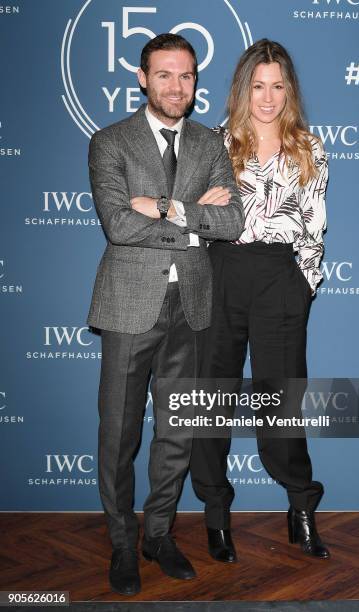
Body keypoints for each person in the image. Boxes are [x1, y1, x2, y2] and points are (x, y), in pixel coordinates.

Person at [87, 33, 244, 595]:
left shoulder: (209, 144)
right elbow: (117, 225)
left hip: (192, 308)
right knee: (119, 434)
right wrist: (196, 220)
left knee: (177, 432)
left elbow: (232, 224)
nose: (178, 86)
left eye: (188, 76)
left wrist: (163, 206)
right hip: (130, 305)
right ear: (142, 77)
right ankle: (124, 544)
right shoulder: (111, 142)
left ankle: (159, 535)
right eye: (166, 75)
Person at [190, 39, 330, 563]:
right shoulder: (212, 144)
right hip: (221, 272)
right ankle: (216, 516)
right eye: (258, 86)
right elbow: (191, 220)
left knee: (282, 403)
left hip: (280, 278)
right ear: (242, 89)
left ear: (288, 89)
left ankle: (300, 510)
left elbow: (314, 228)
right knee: (210, 401)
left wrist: (302, 283)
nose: (268, 98)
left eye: (277, 86)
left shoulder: (309, 148)